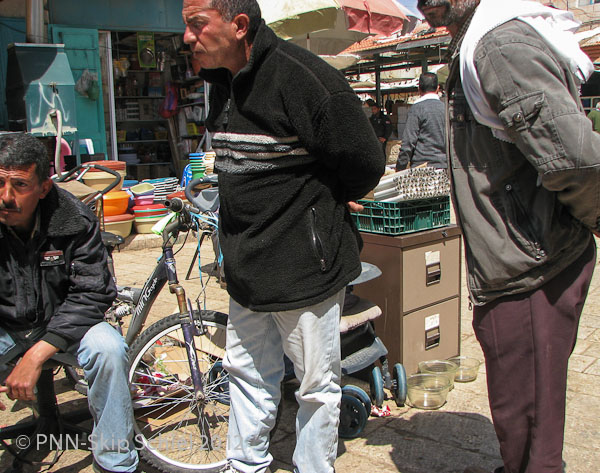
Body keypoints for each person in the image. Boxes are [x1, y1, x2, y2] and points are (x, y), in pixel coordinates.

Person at [182, 1, 385, 473]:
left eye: (197, 25)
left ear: (238, 26)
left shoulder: (303, 79)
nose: (188, 38)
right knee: (247, 376)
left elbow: (365, 162)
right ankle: (244, 464)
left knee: (315, 386)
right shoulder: (221, 84)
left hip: (302, 268)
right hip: (245, 266)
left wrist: (327, 202)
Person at [417, 1, 600, 473]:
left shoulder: (497, 45)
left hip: (532, 268)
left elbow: (577, 159)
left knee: (531, 427)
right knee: (522, 416)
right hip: (522, 262)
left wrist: (586, 221)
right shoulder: (481, 42)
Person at [0, 132, 138, 473]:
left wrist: (37, 354)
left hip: (62, 326)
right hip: (7, 330)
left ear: (43, 187)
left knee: (108, 348)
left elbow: (92, 292)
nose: (6, 197)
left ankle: (116, 462)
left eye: (19, 185)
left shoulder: (73, 219)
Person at [396, 72, 447, 170]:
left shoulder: (417, 109)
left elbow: (408, 143)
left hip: (422, 170)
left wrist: (399, 169)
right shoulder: (446, 109)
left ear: (419, 89)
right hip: (444, 168)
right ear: (438, 88)